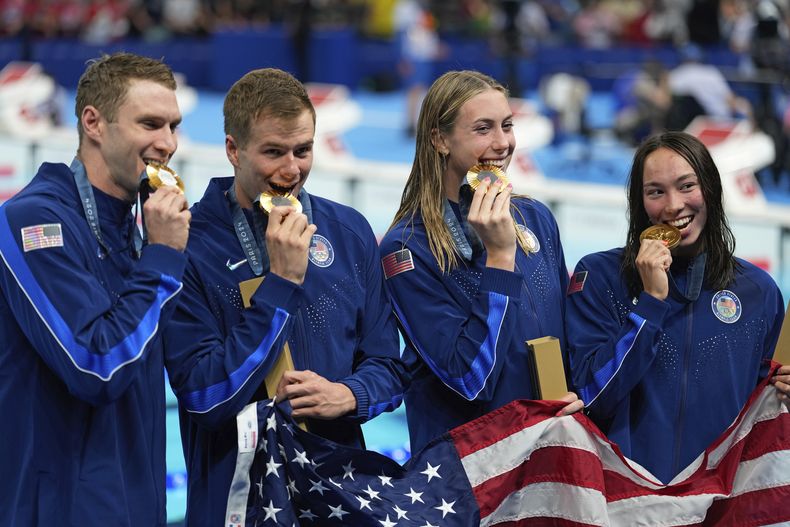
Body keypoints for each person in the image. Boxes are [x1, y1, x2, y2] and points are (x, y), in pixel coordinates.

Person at [163, 68, 409, 525]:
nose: (291, 170)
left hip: (338, 493)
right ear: (233, 150)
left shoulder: (349, 232)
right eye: (273, 152)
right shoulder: (190, 245)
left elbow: (388, 366)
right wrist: (280, 283)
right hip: (235, 499)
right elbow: (204, 395)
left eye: (303, 150)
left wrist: (349, 394)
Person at [0, 52, 189, 525]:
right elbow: (96, 365)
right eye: (150, 124)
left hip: (135, 503)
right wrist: (163, 260)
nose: (167, 143)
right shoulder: (35, 221)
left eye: (173, 126)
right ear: (94, 123)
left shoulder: (135, 228)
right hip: (59, 509)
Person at [566, 131, 790, 484]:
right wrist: (650, 304)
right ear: (640, 202)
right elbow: (591, 397)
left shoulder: (757, 292)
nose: (673, 206)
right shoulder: (600, 277)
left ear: (711, 190)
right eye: (656, 191)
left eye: (687, 186)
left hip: (718, 500)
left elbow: (764, 410)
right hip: (624, 497)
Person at [379, 70, 583, 454]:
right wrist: (501, 257)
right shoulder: (407, 249)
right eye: (483, 129)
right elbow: (471, 379)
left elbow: (567, 334)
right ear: (440, 139)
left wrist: (580, 393)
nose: (503, 143)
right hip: (472, 469)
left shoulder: (534, 217)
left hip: (545, 450)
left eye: (507, 125)